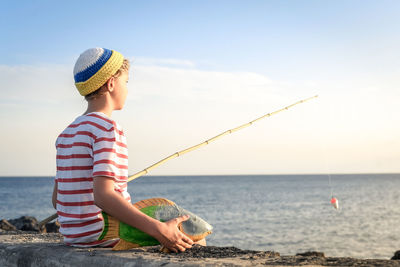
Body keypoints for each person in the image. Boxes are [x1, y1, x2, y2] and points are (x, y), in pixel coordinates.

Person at [52, 48, 194, 252]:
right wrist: (159, 230)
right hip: (106, 235)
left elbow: (57, 200)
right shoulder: (108, 128)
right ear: (111, 83)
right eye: (125, 82)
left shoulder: (66, 134)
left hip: (74, 238)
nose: (127, 89)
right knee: (191, 232)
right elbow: (103, 196)